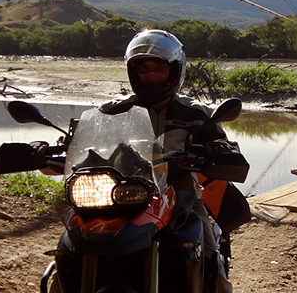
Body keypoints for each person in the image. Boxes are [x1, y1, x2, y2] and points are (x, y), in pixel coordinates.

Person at [98, 29, 236, 292]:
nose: (150, 73)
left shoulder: (198, 114)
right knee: (77, 242)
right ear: (132, 72)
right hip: (120, 194)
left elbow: (222, 142)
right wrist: (54, 147)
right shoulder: (113, 112)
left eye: (158, 68)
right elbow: (85, 140)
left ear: (174, 71)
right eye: (143, 68)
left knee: (209, 261)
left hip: (181, 195)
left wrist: (219, 148)